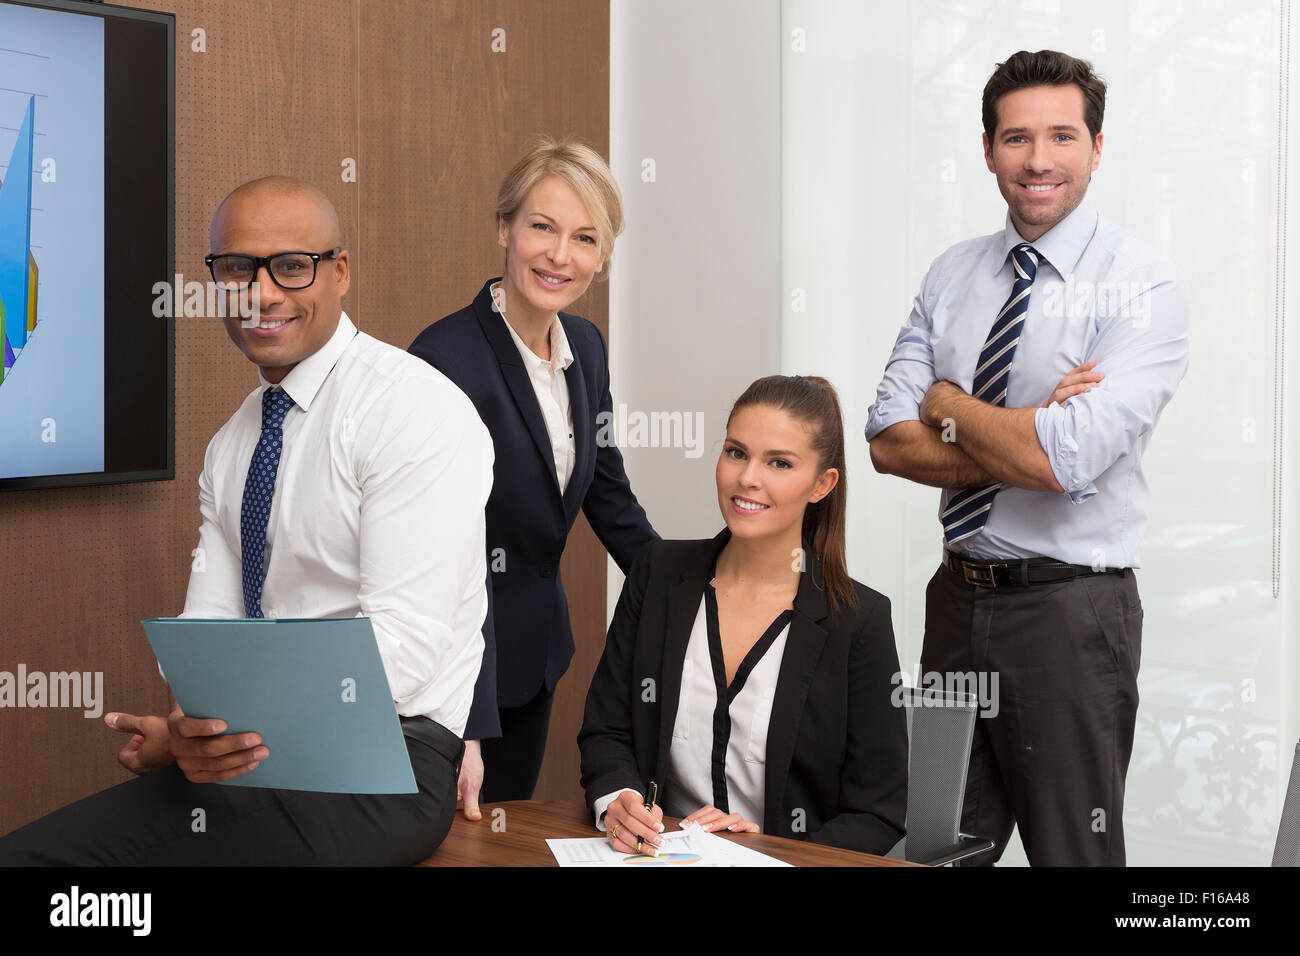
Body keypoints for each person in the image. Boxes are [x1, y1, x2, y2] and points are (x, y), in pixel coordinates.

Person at [0, 177, 493, 865]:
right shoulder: (233, 444)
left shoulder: (413, 411)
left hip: (386, 768)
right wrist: (192, 728)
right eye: (236, 269)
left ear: (340, 271)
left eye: (292, 266)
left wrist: (238, 723)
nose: (260, 295)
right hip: (258, 757)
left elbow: (402, 659)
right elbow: (210, 634)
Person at [864, 50, 1189, 866]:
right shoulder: (953, 275)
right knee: (936, 849)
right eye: (1016, 138)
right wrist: (1027, 424)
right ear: (987, 149)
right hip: (956, 600)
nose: (1038, 161)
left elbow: (1064, 462)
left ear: (1097, 147)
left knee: (1070, 857)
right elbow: (886, 442)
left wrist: (950, 405)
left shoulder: (1139, 286)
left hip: (1070, 617)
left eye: (1062, 137)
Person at [410, 137, 657, 811]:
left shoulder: (587, 348)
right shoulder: (444, 359)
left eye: (584, 237)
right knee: (454, 842)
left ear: (600, 257)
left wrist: (685, 591)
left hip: (537, 657)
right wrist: (469, 724)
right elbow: (440, 558)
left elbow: (607, 493)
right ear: (504, 228)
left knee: (503, 840)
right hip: (460, 677)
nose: (559, 254)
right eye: (541, 227)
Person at [579, 375, 908, 855]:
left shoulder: (859, 621)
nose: (747, 478)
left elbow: (877, 813)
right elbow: (607, 728)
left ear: (822, 484)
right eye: (736, 452)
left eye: (778, 463)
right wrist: (619, 801)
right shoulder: (657, 573)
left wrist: (771, 852)